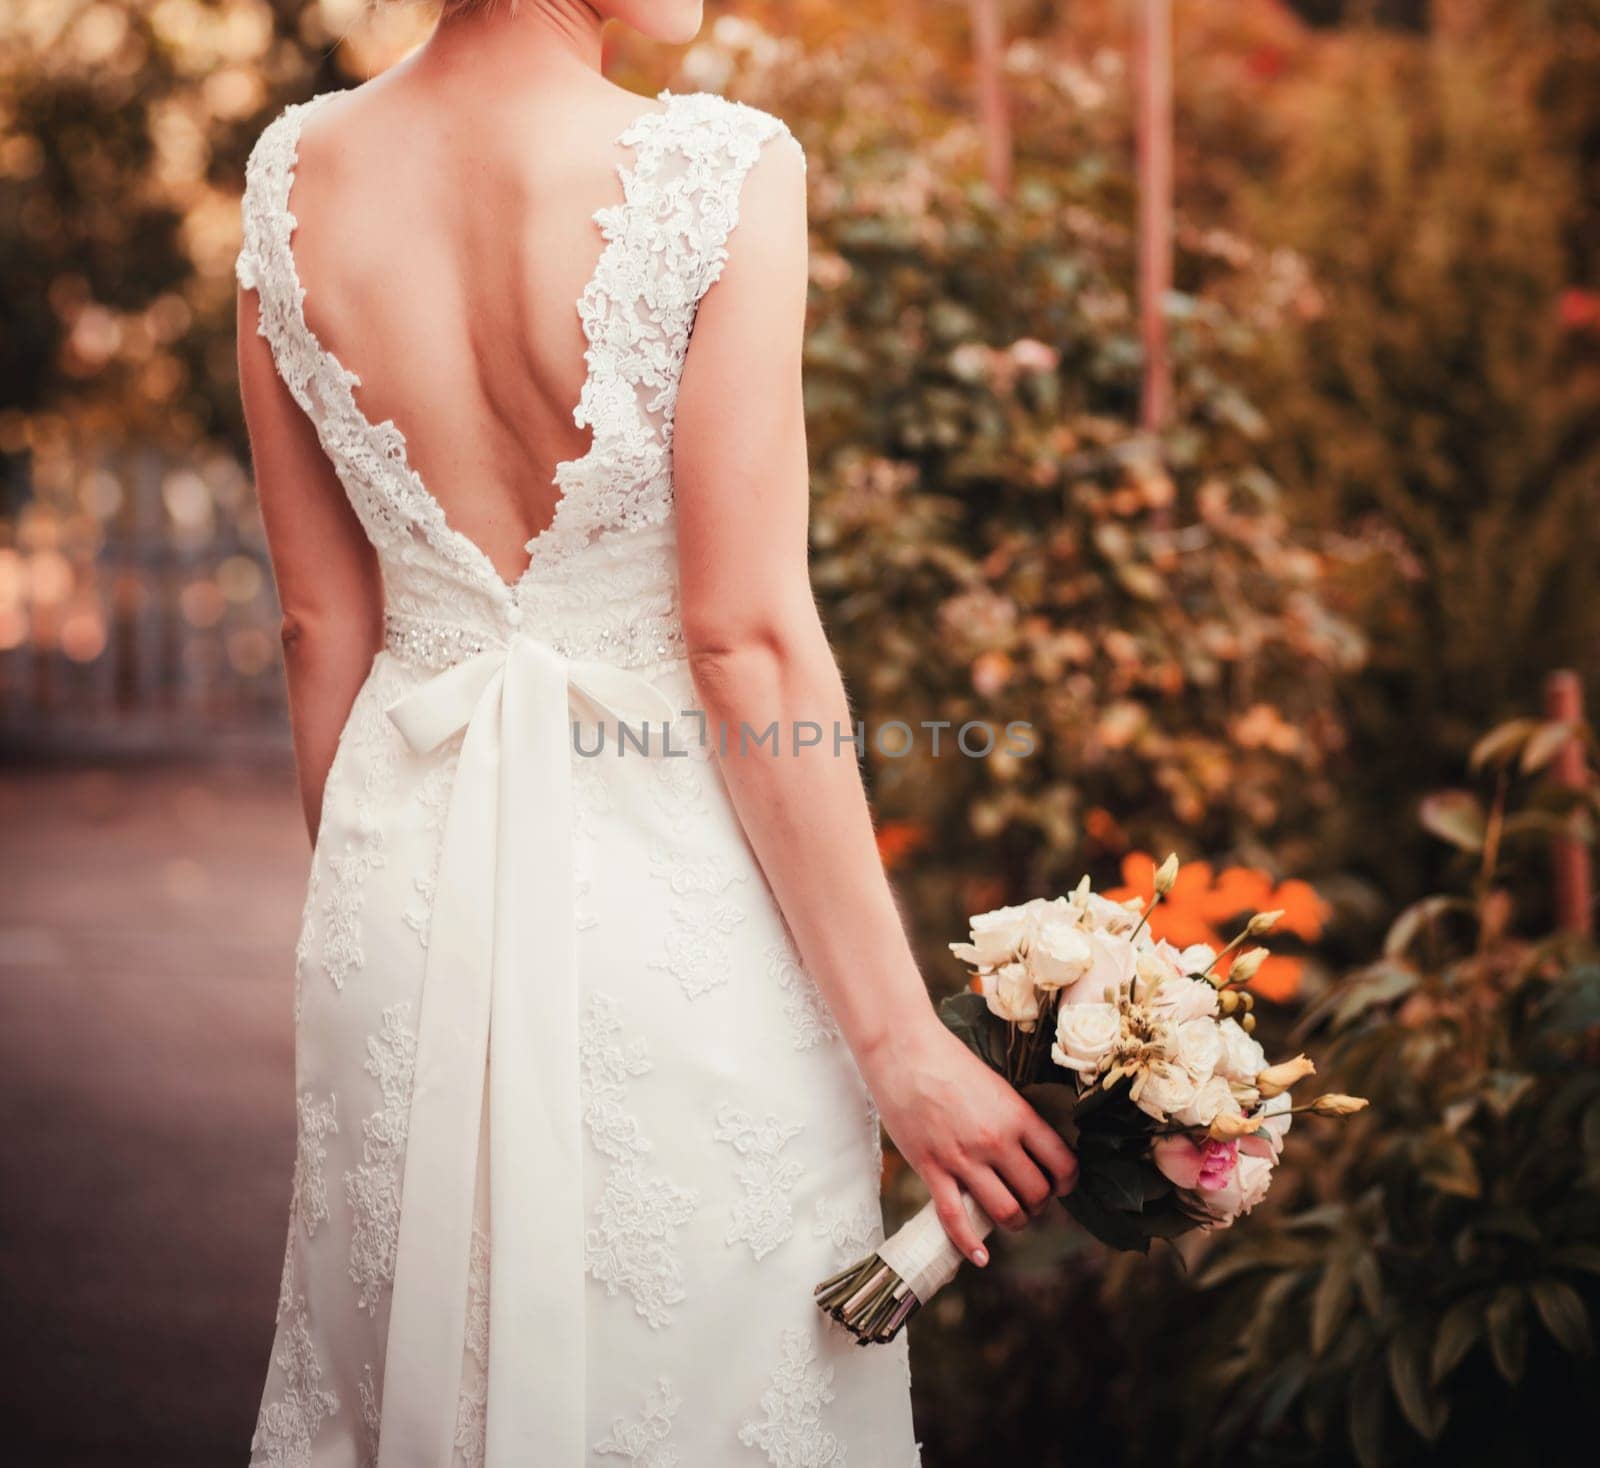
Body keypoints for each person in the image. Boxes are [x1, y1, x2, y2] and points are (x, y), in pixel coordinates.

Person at [234, 1, 1076, 1461]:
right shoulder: (721, 168)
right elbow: (741, 640)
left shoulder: (289, 178)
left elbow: (322, 631)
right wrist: (902, 1050)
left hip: (397, 897)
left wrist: (393, 899)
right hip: (667, 913)